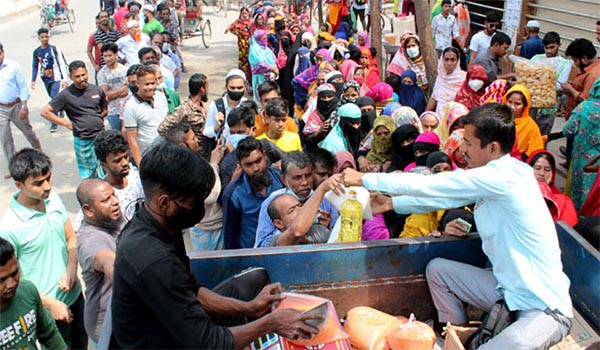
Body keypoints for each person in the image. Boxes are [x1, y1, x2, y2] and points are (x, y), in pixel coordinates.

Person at [342, 103, 573, 349]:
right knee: (438, 270)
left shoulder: (504, 176)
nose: (462, 150)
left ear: (492, 148)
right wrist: (392, 204)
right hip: (508, 292)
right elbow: (446, 197)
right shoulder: (498, 174)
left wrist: (364, 178)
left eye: (470, 143)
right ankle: (451, 336)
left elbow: (434, 185)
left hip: (543, 308)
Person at [111, 142, 321, 348]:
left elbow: (193, 291)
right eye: (194, 202)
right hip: (165, 342)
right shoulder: (154, 260)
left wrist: (249, 307)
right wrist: (271, 323)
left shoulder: (163, 225)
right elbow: (208, 342)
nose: (200, 208)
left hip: (179, 321)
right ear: (164, 202)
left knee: (256, 277)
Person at [0, 149, 87, 349]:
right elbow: (13, 279)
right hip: (48, 309)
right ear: (19, 185)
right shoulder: (9, 228)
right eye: (38, 183)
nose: (47, 187)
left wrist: (71, 268)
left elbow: (70, 238)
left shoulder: (53, 199)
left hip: (74, 296)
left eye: (48, 178)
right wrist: (50, 304)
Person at [75, 179, 125, 345]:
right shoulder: (90, 240)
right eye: (106, 200)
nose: (115, 202)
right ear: (88, 210)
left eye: (114, 195)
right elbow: (108, 261)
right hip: (107, 327)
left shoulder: (114, 218)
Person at [254, 151, 339, 247]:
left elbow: (338, 239)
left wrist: (325, 229)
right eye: (297, 178)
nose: (305, 182)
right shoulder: (272, 203)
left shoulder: (326, 200)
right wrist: (289, 232)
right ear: (284, 180)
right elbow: (262, 247)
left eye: (308, 175)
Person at [163, 122, 225, 251]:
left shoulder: (188, 162)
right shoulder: (183, 171)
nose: (197, 140)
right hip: (206, 229)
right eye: (193, 139)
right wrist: (214, 164)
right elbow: (210, 196)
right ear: (183, 146)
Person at [41, 60, 107, 180]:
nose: (81, 79)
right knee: (88, 173)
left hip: (101, 137)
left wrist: (96, 121)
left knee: (106, 168)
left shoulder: (97, 90)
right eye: (77, 76)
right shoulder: (65, 95)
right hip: (83, 139)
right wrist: (65, 123)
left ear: (87, 72)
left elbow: (104, 109)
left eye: (83, 75)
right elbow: (45, 112)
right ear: (71, 77)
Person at [0, 237, 67, 350]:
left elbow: (49, 335)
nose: (11, 283)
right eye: (2, 280)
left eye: (15, 273)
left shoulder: (27, 291)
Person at [222, 137, 285, 249]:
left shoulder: (280, 179)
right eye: (249, 164)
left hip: (281, 248)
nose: (256, 168)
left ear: (264, 156)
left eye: (258, 161)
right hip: (252, 254)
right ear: (240, 165)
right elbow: (230, 235)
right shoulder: (233, 194)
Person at [0, 42, 42, 180]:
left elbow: (22, 87)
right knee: (5, 138)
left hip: (17, 105)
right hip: (1, 108)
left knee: (27, 131)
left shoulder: (13, 67)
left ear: (2, 52)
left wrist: (24, 106)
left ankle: (38, 150)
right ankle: (13, 167)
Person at [266, 173, 344, 246]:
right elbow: (296, 232)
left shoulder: (319, 231)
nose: (301, 210)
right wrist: (322, 189)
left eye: (300, 205)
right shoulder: (275, 242)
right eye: (292, 210)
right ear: (279, 223)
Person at [563, 77, 600, 211]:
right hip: (598, 163)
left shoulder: (585, 107)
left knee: (580, 193)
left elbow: (567, 130)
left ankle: (579, 223)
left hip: (583, 160)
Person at [94, 130, 145, 221]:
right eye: (117, 161)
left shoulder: (138, 179)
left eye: (126, 157)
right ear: (104, 165)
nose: (125, 163)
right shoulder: (100, 194)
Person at [123, 65, 169, 166]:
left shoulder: (161, 97)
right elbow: (132, 140)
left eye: (153, 83)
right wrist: (141, 165)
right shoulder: (131, 107)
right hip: (147, 159)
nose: (151, 87)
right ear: (138, 84)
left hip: (165, 155)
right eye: (146, 84)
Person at [530, 32, 572, 137]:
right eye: (546, 48)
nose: (548, 51)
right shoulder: (536, 58)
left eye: (552, 47)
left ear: (559, 45)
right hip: (531, 104)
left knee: (542, 137)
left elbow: (560, 86)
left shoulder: (565, 64)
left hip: (548, 107)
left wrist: (539, 80)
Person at [526, 150, 578, 227]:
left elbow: (567, 234)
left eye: (547, 170)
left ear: (552, 176)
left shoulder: (564, 203)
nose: (542, 173)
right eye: (537, 168)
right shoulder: (515, 195)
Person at [31, 28, 69, 133]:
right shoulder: (37, 52)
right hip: (45, 78)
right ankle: (61, 107)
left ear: (49, 37)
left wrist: (64, 79)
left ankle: (54, 122)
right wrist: (33, 80)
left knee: (53, 99)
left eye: (46, 37)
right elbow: (35, 66)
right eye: (42, 37)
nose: (44, 39)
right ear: (39, 38)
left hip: (56, 78)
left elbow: (61, 63)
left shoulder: (54, 49)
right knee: (53, 97)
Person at [158, 73, 209, 147]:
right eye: (207, 87)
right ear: (202, 90)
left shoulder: (200, 106)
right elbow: (162, 129)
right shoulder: (183, 109)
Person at [203, 69, 248, 144]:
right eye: (232, 88)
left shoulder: (248, 105)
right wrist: (217, 127)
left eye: (239, 88)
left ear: (245, 88)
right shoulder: (216, 105)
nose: (236, 90)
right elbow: (206, 132)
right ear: (226, 87)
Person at [502, 84, 544, 158]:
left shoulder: (531, 126)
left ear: (525, 105)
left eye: (517, 104)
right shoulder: (498, 119)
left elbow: (534, 152)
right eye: (510, 102)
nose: (512, 107)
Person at [563, 38, 600, 119]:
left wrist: (571, 90)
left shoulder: (593, 75)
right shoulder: (591, 67)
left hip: (581, 119)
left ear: (584, 58)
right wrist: (574, 85)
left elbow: (586, 101)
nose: (575, 64)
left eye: (575, 60)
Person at [98, 43, 128, 131]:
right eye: (105, 56)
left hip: (127, 108)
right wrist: (123, 88)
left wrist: (114, 93)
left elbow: (128, 92)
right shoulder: (102, 73)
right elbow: (105, 94)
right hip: (113, 111)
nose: (107, 58)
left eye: (110, 55)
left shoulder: (125, 70)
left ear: (116, 55)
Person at [427, 47, 466, 115]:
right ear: (442, 60)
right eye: (446, 59)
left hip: (456, 115)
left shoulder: (463, 78)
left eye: (452, 60)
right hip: (440, 115)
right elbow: (434, 98)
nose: (449, 63)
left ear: (457, 61)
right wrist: (425, 115)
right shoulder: (441, 77)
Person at [249, 30, 278, 101]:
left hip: (270, 78)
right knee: (261, 98)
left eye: (266, 38)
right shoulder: (254, 50)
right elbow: (260, 64)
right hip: (259, 78)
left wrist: (275, 69)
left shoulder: (266, 49)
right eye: (263, 39)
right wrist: (273, 69)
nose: (265, 40)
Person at [226, 7, 253, 83]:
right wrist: (237, 34)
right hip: (241, 42)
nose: (244, 14)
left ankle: (249, 74)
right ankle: (242, 73)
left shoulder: (251, 21)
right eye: (243, 12)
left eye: (246, 12)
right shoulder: (238, 21)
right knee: (242, 57)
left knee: (250, 57)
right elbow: (231, 27)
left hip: (250, 42)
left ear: (248, 13)